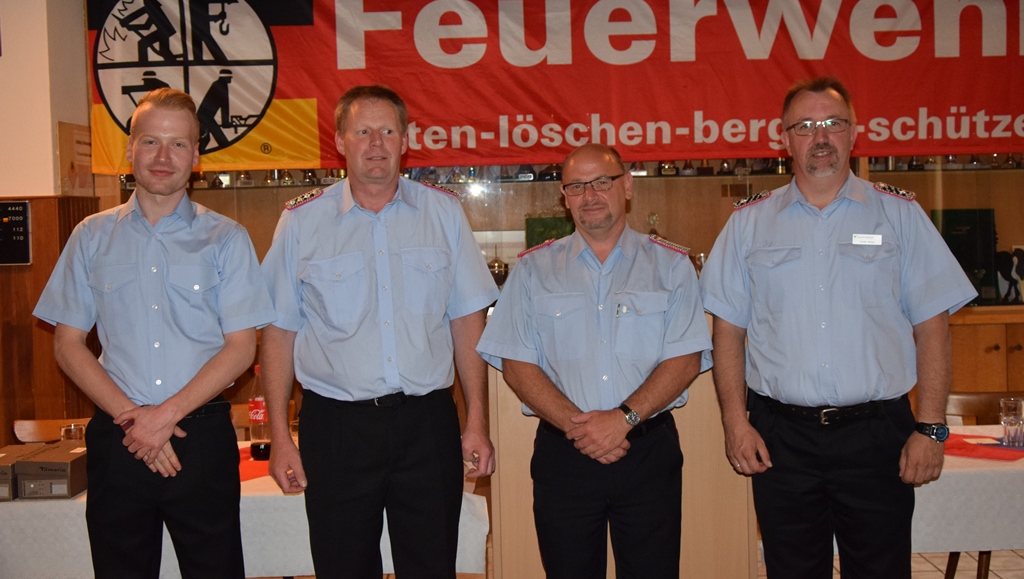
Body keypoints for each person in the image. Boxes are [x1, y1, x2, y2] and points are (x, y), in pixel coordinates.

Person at [699, 77, 978, 579]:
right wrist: (735, 423)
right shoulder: (748, 224)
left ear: (855, 133)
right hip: (781, 439)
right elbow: (728, 333)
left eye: (833, 123)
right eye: (804, 126)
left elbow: (933, 326)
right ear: (783, 139)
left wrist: (931, 427)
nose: (820, 137)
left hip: (878, 437)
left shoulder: (900, 215)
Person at [33, 88, 275, 579]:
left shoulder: (226, 239)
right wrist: (135, 422)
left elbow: (240, 348)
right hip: (118, 440)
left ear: (196, 156)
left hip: (201, 440)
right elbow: (67, 343)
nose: (163, 157)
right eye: (150, 141)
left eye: (178, 144)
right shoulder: (90, 236)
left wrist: (164, 417)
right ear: (130, 148)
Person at [260, 84, 499, 579]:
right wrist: (280, 436)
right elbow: (279, 332)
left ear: (405, 140)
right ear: (340, 141)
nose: (376, 143)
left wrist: (476, 419)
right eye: (363, 131)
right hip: (337, 430)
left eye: (388, 131)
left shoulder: (443, 213)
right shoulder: (301, 221)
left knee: (432, 567)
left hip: (427, 425)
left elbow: (466, 320)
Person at [477, 143, 712, 579]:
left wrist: (623, 420)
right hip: (565, 455)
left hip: (647, 451)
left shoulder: (670, 266)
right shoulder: (533, 270)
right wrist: (581, 429)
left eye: (602, 182)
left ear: (627, 187)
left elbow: (685, 359)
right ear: (564, 198)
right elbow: (517, 364)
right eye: (577, 186)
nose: (590, 195)